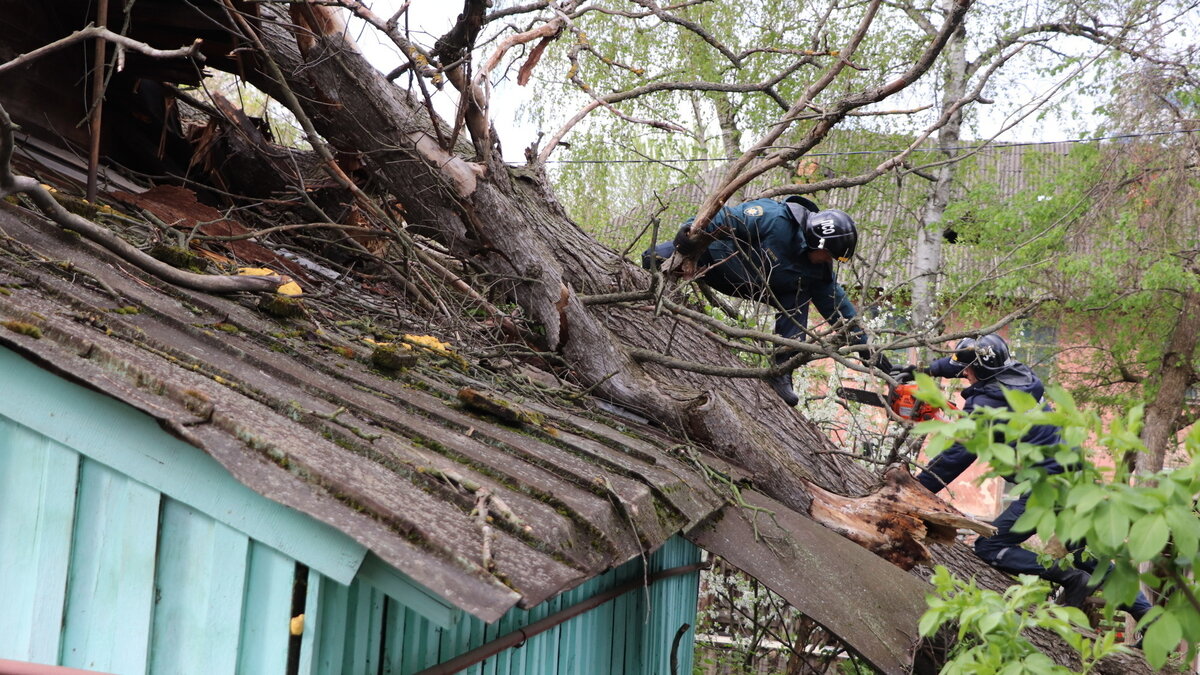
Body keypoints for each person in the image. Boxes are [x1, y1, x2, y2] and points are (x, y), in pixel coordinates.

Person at [911, 334, 1151, 622]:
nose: (963, 374)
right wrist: (924, 371)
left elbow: (957, 456)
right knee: (1086, 556)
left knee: (990, 547)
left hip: (1046, 487)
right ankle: (1150, 616)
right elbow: (962, 363)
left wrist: (916, 490)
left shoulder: (988, 404)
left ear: (980, 370)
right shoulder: (1017, 374)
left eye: (967, 370)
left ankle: (1070, 579)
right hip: (1074, 478)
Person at [643, 196, 895, 406]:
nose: (829, 261)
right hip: (718, 263)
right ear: (816, 240)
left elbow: (841, 313)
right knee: (653, 257)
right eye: (830, 255)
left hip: (758, 288)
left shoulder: (818, 273)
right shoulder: (774, 218)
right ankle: (649, 304)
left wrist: (869, 352)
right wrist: (688, 234)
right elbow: (726, 218)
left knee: (799, 300)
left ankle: (781, 373)